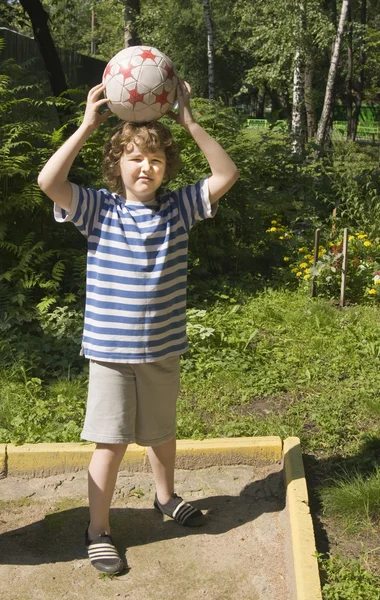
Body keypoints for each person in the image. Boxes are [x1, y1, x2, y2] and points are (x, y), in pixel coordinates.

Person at [37, 79, 239, 574]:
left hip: (163, 348)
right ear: (117, 166)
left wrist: (188, 122)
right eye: (134, 158)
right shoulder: (98, 210)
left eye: (155, 159)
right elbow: (48, 181)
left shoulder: (178, 209)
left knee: (161, 434)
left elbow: (226, 172)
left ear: (166, 167)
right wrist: (87, 125)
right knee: (111, 443)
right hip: (109, 351)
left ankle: (165, 497)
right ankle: (98, 530)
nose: (145, 167)